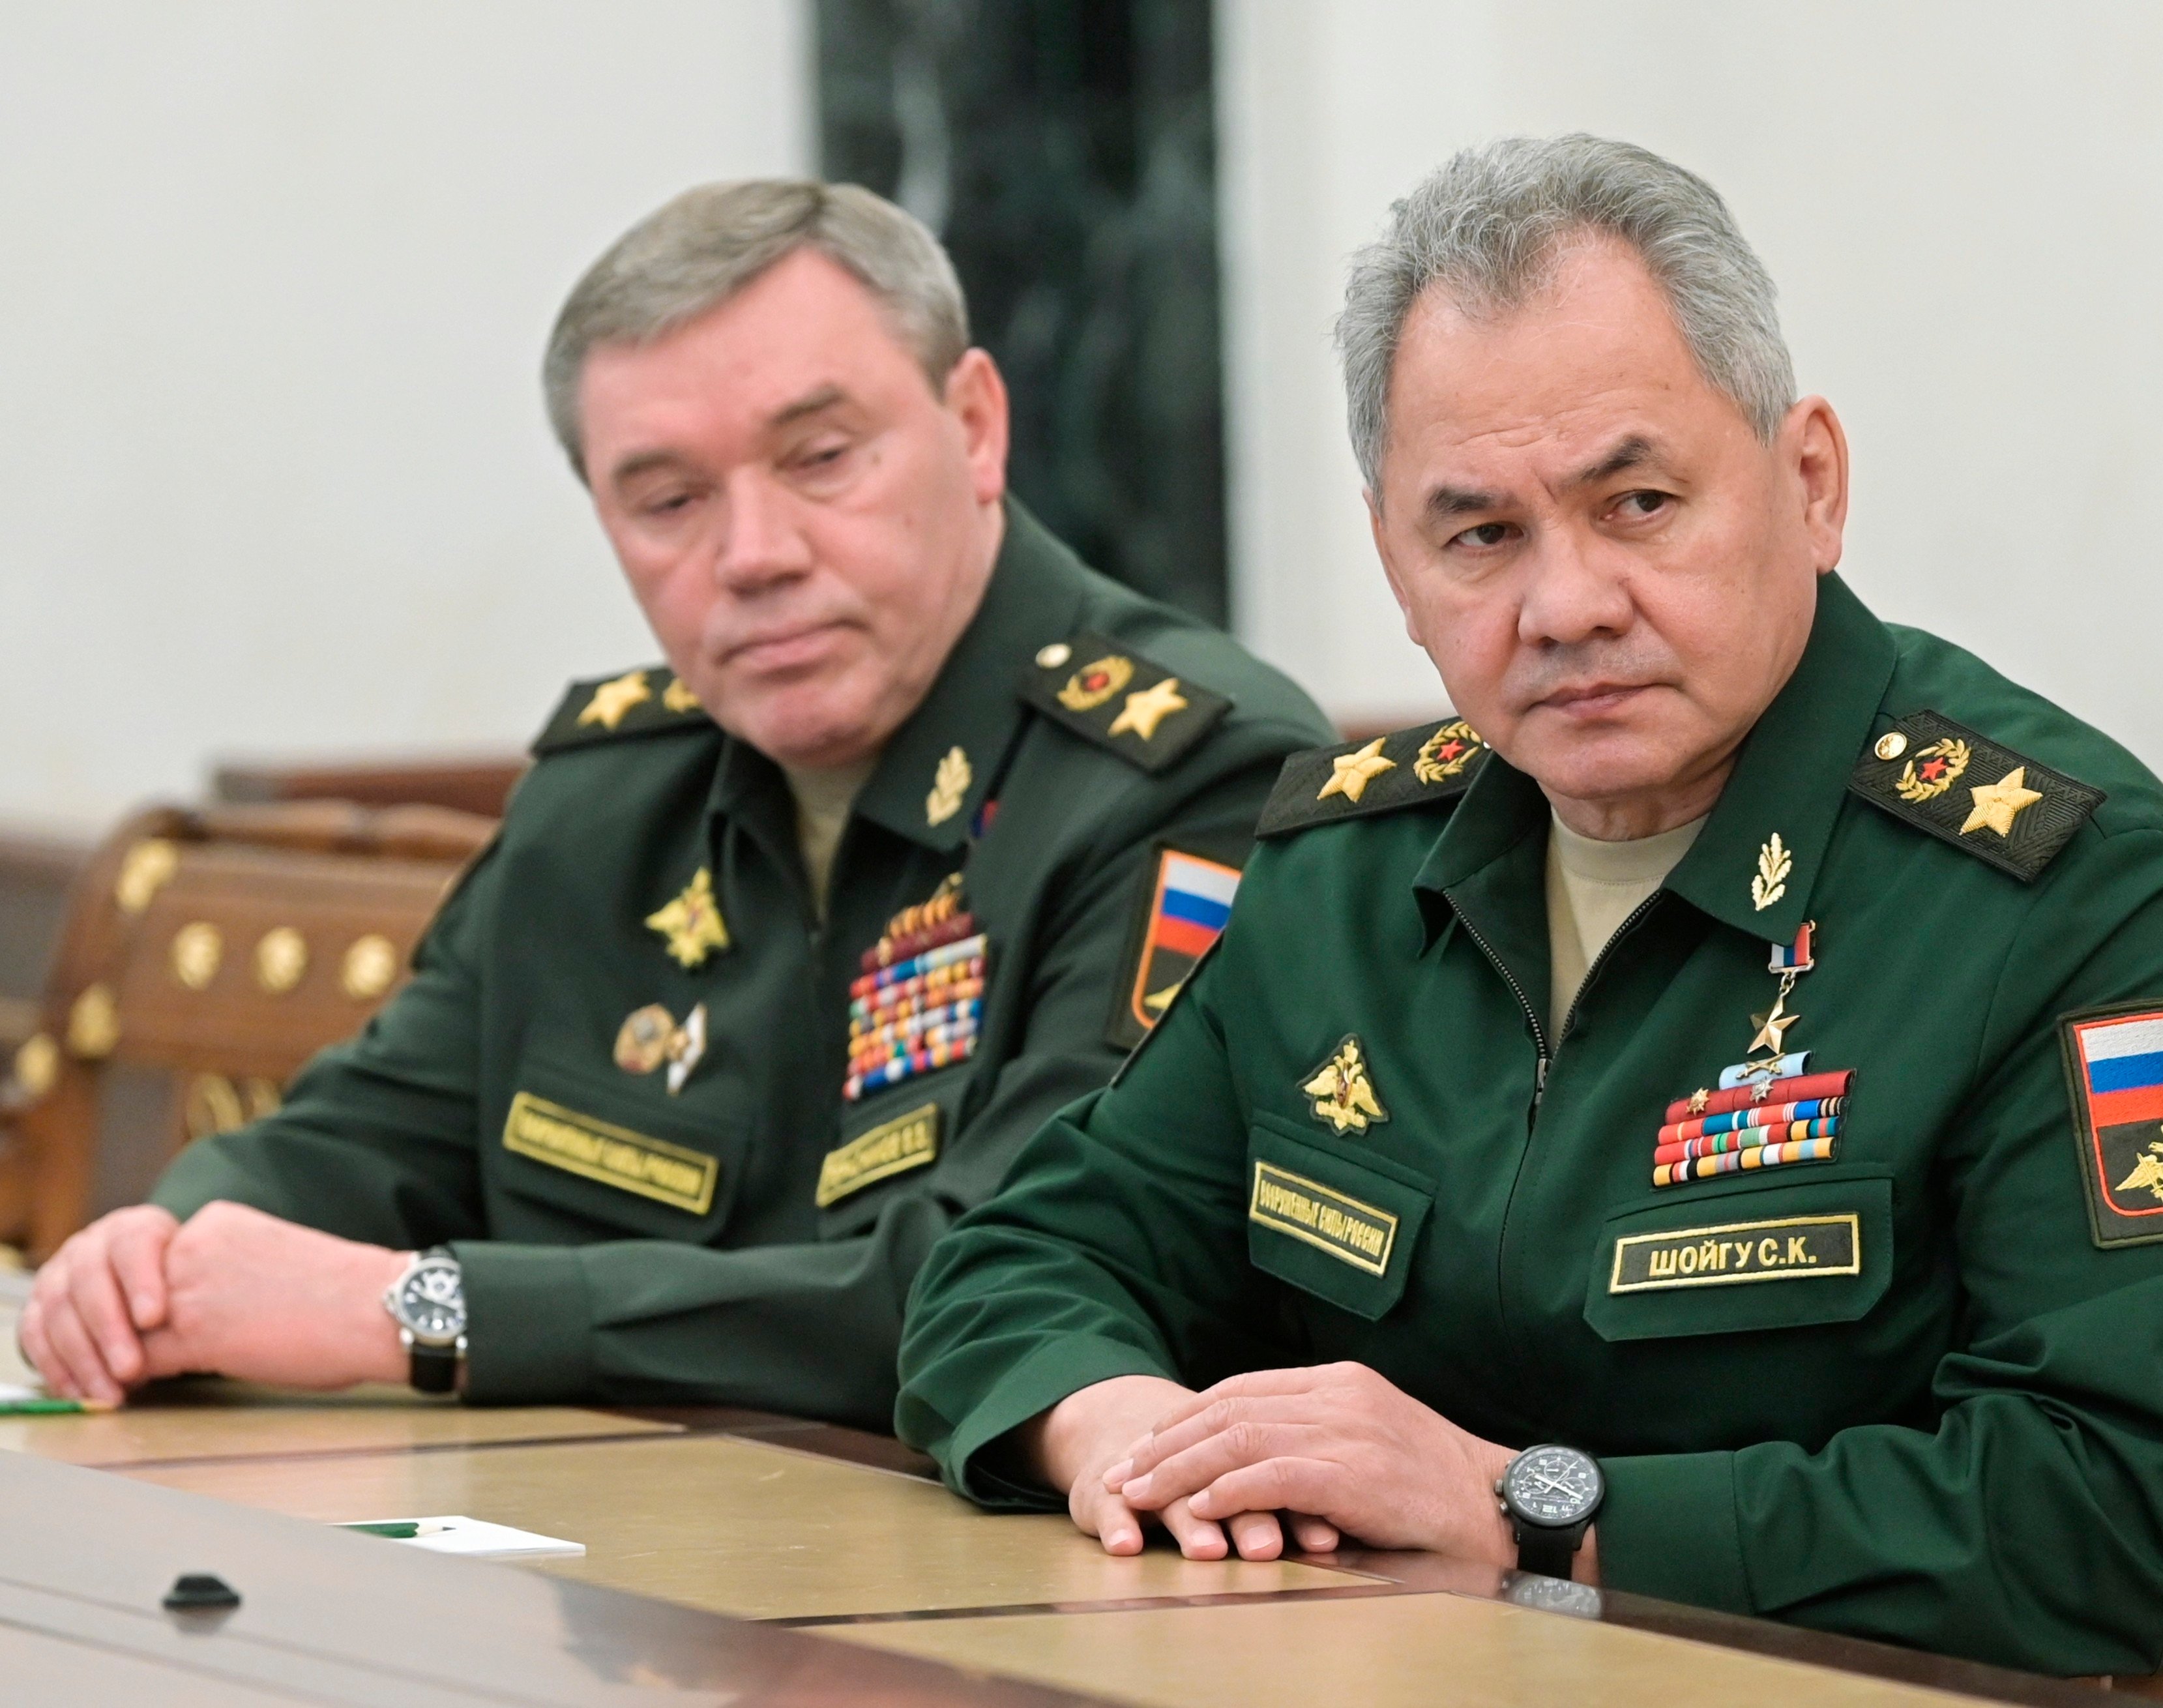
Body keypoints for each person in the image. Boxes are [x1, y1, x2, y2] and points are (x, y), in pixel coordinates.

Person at [894, 136, 2163, 1677]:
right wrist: (1135, 1436)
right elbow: (1018, 1261)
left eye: (1636, 502)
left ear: (1809, 483)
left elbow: (2124, 1514)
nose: (1565, 603)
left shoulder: (2063, 892)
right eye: (1480, 535)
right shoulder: (1347, 868)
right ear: (1394, 558)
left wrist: (1523, 1515)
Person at [16, 181, 1332, 1431]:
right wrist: (161, 1255)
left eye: (821, 458)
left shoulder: (1183, 772)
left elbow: (1000, 1279)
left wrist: (429, 1311)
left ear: (974, 425)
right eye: (667, 500)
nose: (752, 554)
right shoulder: (616, 788)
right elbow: (358, 1138)